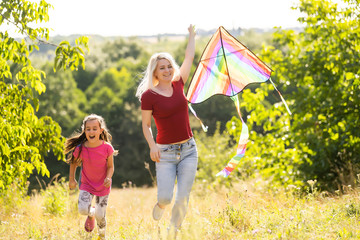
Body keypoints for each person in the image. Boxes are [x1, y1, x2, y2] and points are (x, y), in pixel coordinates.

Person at [136, 24, 197, 235]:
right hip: (165, 153)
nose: (167, 70)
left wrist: (192, 35)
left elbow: (189, 58)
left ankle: (174, 230)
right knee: (165, 197)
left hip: (189, 149)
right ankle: (161, 205)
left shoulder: (179, 82)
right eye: (162, 67)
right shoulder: (149, 96)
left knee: (182, 197)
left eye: (169, 66)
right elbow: (145, 125)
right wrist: (152, 146)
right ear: (155, 71)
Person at [65, 114, 116, 240]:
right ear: (84, 131)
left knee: (101, 215)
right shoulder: (80, 148)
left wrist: (108, 178)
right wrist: (72, 179)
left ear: (100, 131)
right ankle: (90, 213)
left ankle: (102, 236)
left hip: (103, 185)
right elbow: (73, 163)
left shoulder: (107, 148)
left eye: (94, 128)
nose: (91, 131)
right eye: (88, 129)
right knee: (83, 209)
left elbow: (110, 167)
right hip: (87, 184)